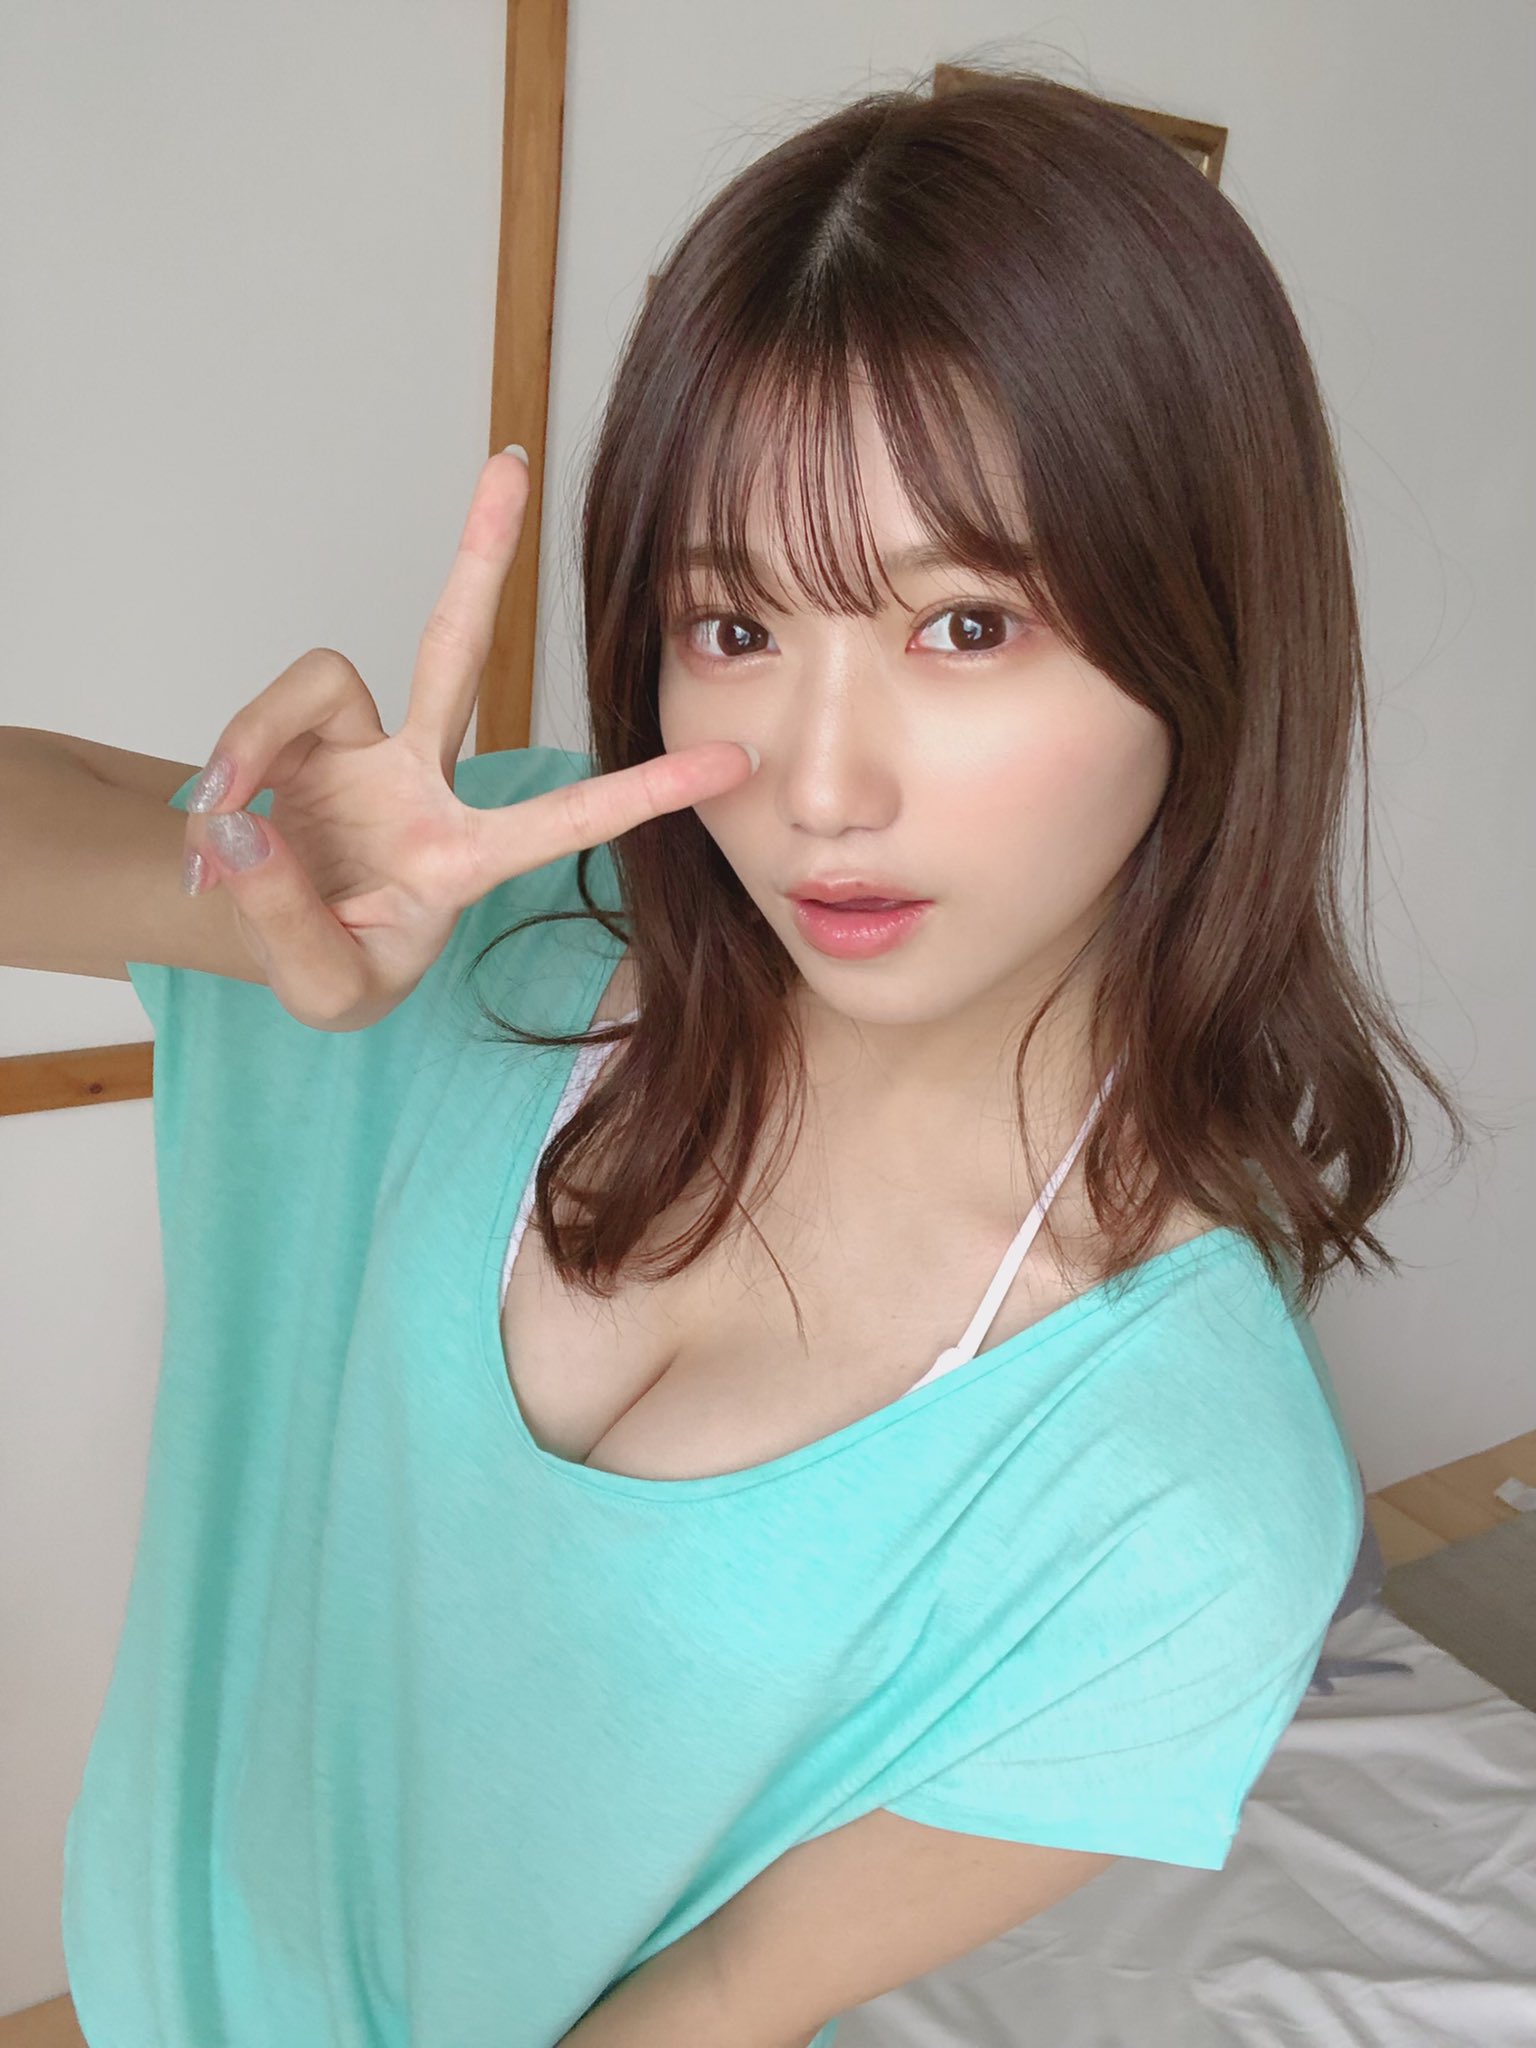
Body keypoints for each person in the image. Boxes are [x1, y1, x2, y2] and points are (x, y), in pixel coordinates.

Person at [2, 65, 1471, 2048]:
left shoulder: (1190, 1503)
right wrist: (236, 877)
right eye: (735, 623)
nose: (820, 787)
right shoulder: (489, 920)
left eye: (968, 625)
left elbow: (708, 2003)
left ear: (1212, 637)